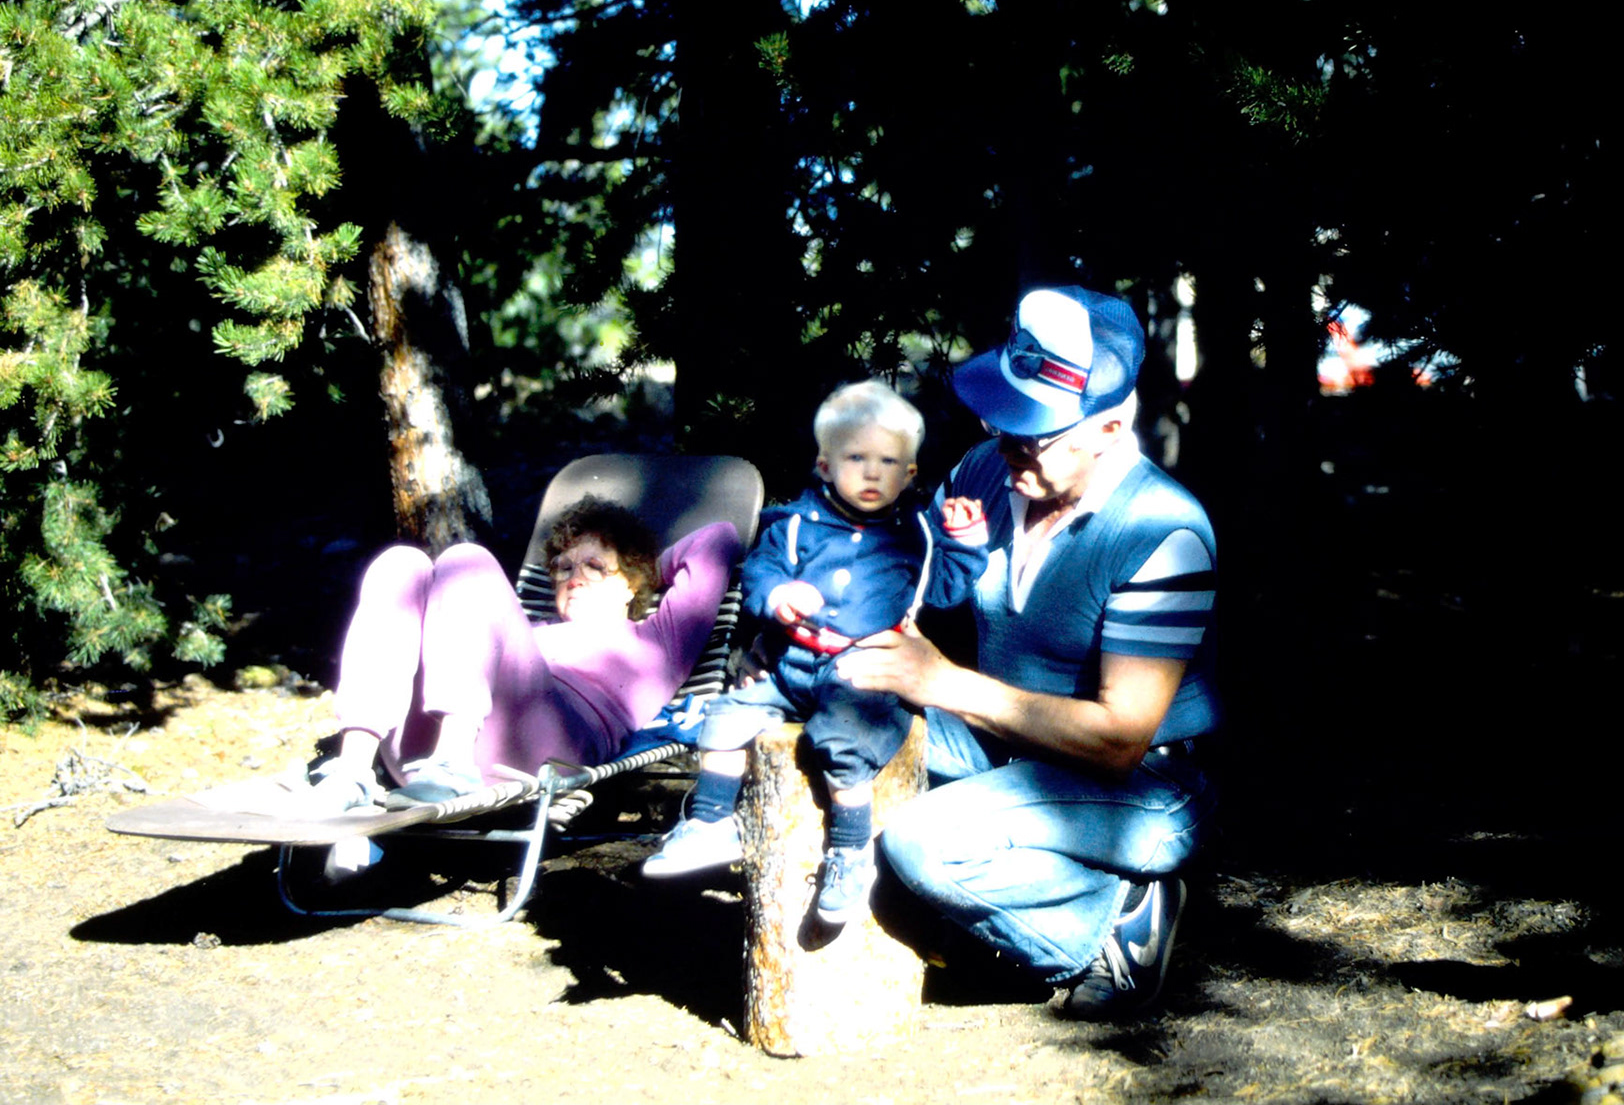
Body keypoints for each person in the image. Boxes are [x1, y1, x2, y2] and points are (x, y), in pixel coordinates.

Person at [836, 286, 1221, 1019]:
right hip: (1009, 748)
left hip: (1141, 784)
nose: (1008, 445)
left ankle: (1114, 917)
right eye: (1001, 421)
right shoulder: (990, 470)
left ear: (1109, 429)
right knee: (837, 713)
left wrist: (942, 682)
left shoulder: (1162, 530)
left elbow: (1119, 739)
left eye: (1033, 433)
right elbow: (904, 576)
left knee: (926, 843)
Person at [643, 381, 988, 924]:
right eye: (856, 459)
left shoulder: (917, 532)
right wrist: (778, 597)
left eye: (887, 462)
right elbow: (760, 573)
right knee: (725, 717)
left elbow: (943, 591)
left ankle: (851, 855)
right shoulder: (795, 523)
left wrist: (967, 544)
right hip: (788, 664)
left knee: (844, 745)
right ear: (825, 466)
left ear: (909, 474)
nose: (872, 474)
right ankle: (710, 823)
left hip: (860, 672)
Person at [309, 498, 743, 820]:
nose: (574, 578)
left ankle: (453, 763)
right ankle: (353, 772)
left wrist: (645, 570)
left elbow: (719, 538)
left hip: (546, 749)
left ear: (630, 583)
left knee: (466, 560)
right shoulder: (524, 629)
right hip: (418, 752)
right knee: (400, 563)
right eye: (563, 567)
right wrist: (615, 568)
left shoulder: (657, 642)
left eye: (594, 567)